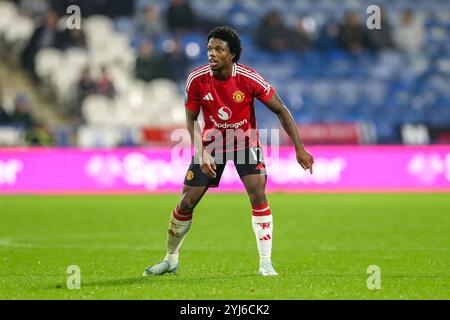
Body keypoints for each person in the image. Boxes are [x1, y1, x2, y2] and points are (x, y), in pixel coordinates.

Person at [143, 26, 314, 277]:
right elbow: (191, 119)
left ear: (232, 54)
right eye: (209, 49)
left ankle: (265, 263)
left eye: (218, 49)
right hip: (212, 144)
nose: (211, 53)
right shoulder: (197, 79)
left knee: (258, 194)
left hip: (245, 142)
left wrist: (300, 148)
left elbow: (281, 110)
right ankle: (170, 259)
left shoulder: (249, 78)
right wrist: (201, 153)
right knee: (185, 202)